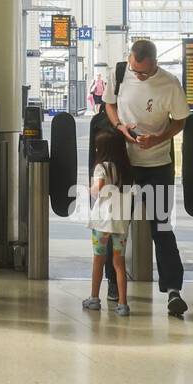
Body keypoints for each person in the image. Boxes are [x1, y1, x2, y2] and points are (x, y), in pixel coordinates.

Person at [103, 38, 190, 317]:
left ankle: (173, 290)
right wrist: (120, 127)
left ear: (155, 63)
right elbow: (109, 105)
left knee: (162, 228)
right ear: (130, 59)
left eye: (144, 72)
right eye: (135, 69)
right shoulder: (118, 73)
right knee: (116, 227)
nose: (138, 75)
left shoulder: (170, 84)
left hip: (158, 165)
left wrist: (158, 138)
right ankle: (113, 285)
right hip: (125, 163)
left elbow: (180, 120)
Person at [83, 129, 132, 317]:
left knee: (98, 259)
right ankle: (122, 303)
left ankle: (94, 298)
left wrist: (91, 189)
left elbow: (100, 186)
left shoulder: (101, 167)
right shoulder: (126, 168)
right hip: (120, 222)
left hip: (102, 222)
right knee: (119, 263)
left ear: (102, 149)